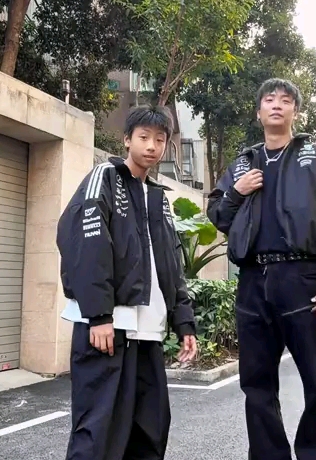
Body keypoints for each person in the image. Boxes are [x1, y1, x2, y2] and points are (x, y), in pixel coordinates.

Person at [207, 78, 316, 460]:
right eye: (269, 99)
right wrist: (237, 191)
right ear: (258, 112)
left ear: (295, 111)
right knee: (256, 386)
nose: (277, 104)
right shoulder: (243, 163)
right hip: (252, 282)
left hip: (303, 279)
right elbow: (218, 216)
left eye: (286, 100)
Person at [57, 105, 198, 460]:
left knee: (149, 429)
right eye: (144, 137)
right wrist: (99, 315)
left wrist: (184, 322)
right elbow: (86, 243)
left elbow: (171, 266)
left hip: (147, 333)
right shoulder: (104, 177)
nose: (152, 146)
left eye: (160, 140)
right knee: (98, 433)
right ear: (126, 140)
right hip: (108, 329)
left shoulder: (158, 198)